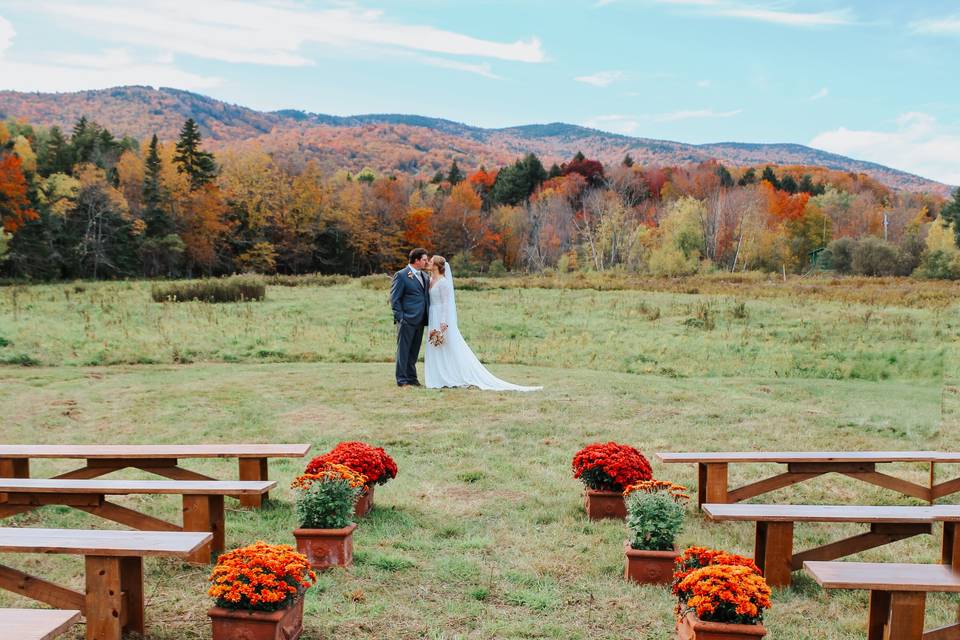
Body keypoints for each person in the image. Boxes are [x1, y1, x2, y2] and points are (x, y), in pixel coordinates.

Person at [423, 255, 541, 392]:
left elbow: (445, 303)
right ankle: (438, 375)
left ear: (437, 265)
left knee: (448, 345)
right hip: (432, 315)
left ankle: (453, 375)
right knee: (435, 345)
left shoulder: (443, 282)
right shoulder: (430, 279)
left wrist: (443, 321)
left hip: (440, 316)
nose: (428, 263)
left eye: (431, 262)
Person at [390, 248, 430, 387]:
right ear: (417, 260)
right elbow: (395, 299)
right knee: (403, 351)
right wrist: (401, 317)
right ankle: (401, 380)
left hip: (420, 320)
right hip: (407, 319)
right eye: (424, 259)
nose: (427, 262)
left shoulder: (424, 277)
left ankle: (412, 378)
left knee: (414, 352)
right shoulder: (401, 275)